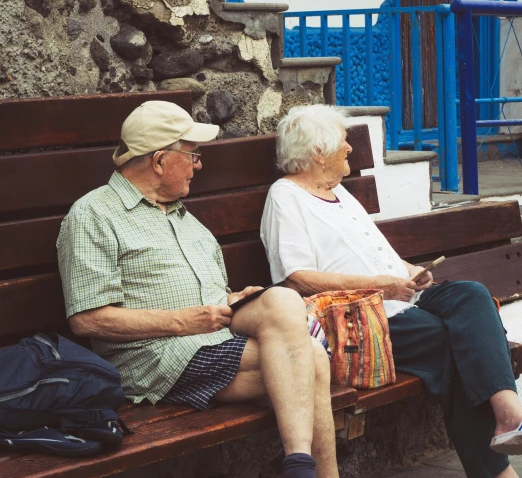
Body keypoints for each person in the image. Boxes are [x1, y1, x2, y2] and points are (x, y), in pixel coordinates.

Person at [57, 100, 338, 478]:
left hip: (212, 339)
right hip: (156, 357)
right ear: (158, 161)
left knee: (283, 301)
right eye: (192, 154)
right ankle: (308, 470)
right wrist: (182, 322)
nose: (199, 164)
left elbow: (209, 294)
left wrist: (230, 300)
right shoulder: (93, 215)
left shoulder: (185, 219)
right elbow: (87, 320)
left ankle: (300, 467)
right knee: (313, 360)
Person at [260, 103, 522, 478]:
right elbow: (296, 278)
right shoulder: (286, 197)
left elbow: (377, 254)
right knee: (451, 342)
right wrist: (380, 286)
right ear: (317, 152)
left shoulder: (339, 193)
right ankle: (499, 464)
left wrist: (411, 271)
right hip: (357, 319)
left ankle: (509, 411)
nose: (350, 148)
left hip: (402, 299)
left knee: (472, 295)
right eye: (343, 142)